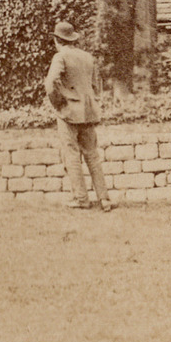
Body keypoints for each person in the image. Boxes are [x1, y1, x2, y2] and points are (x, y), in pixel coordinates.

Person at [45, 19, 111, 211]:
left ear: (57, 40)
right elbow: (97, 86)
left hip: (69, 113)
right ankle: (104, 198)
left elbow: (50, 84)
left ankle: (81, 198)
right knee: (92, 155)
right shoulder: (87, 57)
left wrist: (60, 103)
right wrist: (93, 102)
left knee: (71, 154)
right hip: (89, 112)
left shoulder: (60, 57)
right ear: (73, 39)